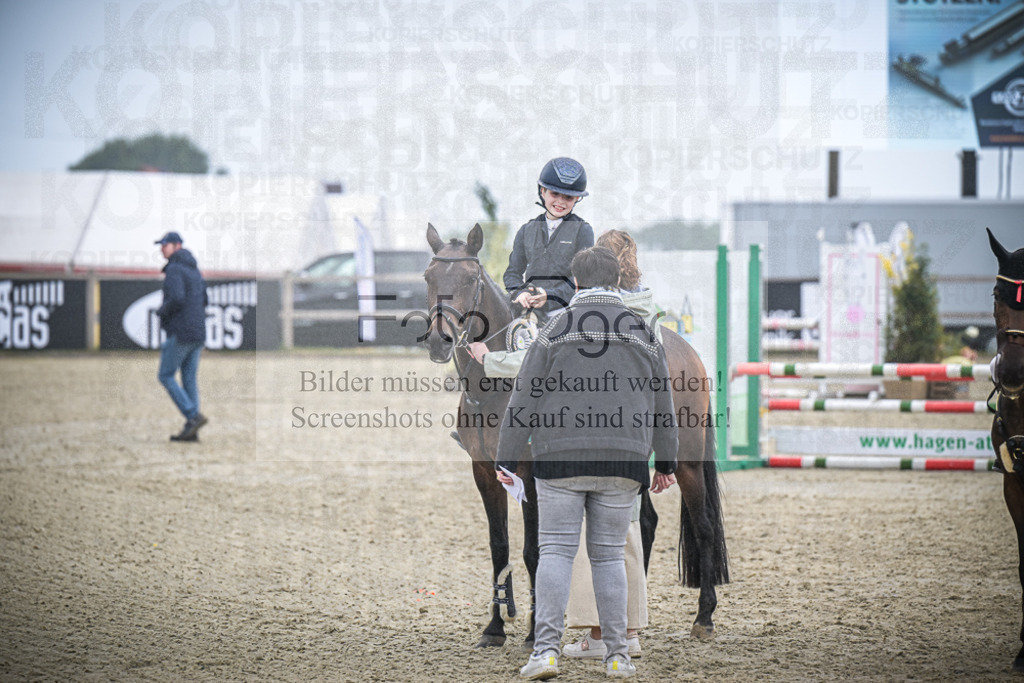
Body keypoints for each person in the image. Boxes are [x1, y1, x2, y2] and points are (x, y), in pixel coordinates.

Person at [471, 229, 666, 661]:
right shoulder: (645, 329)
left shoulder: (555, 327)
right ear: (616, 281)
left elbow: (523, 395)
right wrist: (666, 462)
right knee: (611, 557)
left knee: (556, 552)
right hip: (624, 460)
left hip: (560, 459)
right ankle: (618, 653)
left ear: (575, 284)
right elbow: (663, 400)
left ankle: (544, 653)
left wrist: (504, 459)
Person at [503, 157, 595, 316]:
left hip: (565, 310)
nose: (560, 202)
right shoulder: (526, 230)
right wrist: (520, 293)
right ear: (542, 191)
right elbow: (512, 273)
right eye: (555, 194)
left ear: (576, 199)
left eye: (568, 197)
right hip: (528, 309)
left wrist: (550, 296)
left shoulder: (583, 230)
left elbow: (583, 279)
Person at [154, 231, 209, 442]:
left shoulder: (175, 269)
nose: (162, 248)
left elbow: (176, 298)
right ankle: (191, 428)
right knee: (189, 378)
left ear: (177, 246)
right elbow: (205, 299)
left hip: (181, 331)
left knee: (165, 375)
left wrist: (162, 312)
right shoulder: (195, 270)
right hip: (198, 332)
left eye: (165, 244)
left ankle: (192, 416)